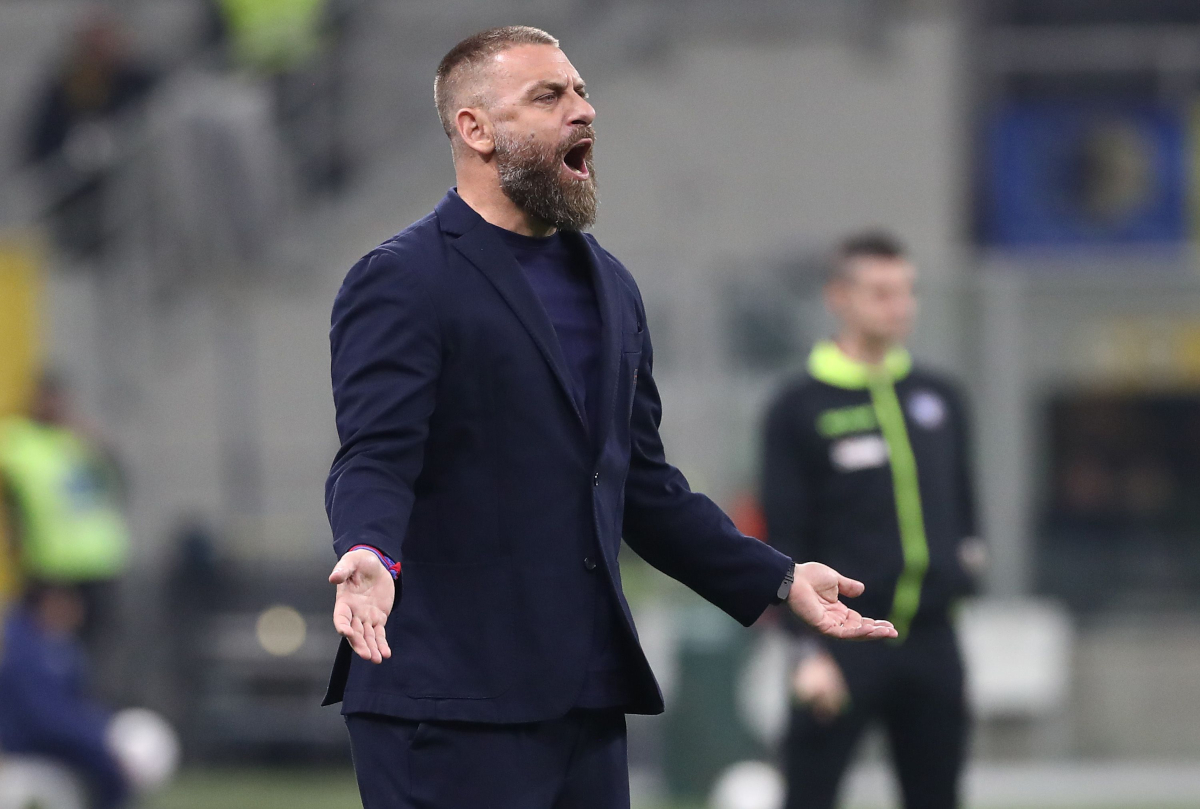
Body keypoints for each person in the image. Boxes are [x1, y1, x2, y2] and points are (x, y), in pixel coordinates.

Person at [323, 26, 896, 809]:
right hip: (449, 701)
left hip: (584, 699)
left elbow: (645, 489)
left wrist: (780, 578)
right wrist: (367, 549)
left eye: (582, 91)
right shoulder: (404, 279)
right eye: (548, 96)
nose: (583, 110)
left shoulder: (612, 288)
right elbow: (377, 454)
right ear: (476, 129)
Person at [760, 232, 985, 809]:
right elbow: (781, 538)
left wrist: (967, 566)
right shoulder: (799, 407)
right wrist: (804, 653)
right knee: (809, 794)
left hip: (933, 641)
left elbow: (964, 508)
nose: (899, 305)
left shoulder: (939, 397)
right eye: (881, 292)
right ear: (840, 296)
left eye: (907, 291)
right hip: (841, 640)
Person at [0, 372, 130, 654]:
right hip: (52, 567)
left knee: (98, 651)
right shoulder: (17, 441)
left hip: (99, 563)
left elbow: (117, 485)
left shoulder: (81, 439)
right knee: (49, 650)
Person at [24, 8, 157, 260]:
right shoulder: (62, 85)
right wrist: (69, 149)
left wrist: (122, 138)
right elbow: (35, 144)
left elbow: (161, 114)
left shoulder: (138, 77)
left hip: (137, 194)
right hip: (84, 202)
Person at [0, 582, 130, 809]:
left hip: (54, 746)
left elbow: (76, 703)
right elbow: (41, 716)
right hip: (23, 752)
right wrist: (96, 738)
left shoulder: (65, 647)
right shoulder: (21, 649)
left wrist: (102, 730)